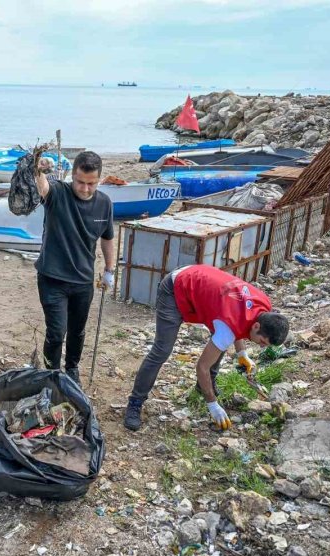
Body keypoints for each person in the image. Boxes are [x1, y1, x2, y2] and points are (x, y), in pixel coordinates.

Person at [123, 265, 289, 431]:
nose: (260, 346)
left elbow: (240, 326)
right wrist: (212, 404)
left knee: (220, 344)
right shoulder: (228, 328)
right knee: (161, 351)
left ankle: (203, 387)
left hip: (203, 287)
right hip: (176, 287)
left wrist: (242, 353)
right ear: (257, 326)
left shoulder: (263, 306)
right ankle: (135, 403)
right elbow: (202, 366)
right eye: (262, 342)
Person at [35, 150, 115, 387]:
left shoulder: (104, 203)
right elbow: (42, 187)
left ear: (99, 179)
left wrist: (109, 270)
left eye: (91, 183)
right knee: (56, 332)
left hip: (83, 280)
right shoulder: (58, 192)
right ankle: (52, 373)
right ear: (72, 176)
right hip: (52, 278)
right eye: (80, 182)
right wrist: (37, 168)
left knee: (78, 331)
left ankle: (71, 368)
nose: (85, 188)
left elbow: (107, 238)